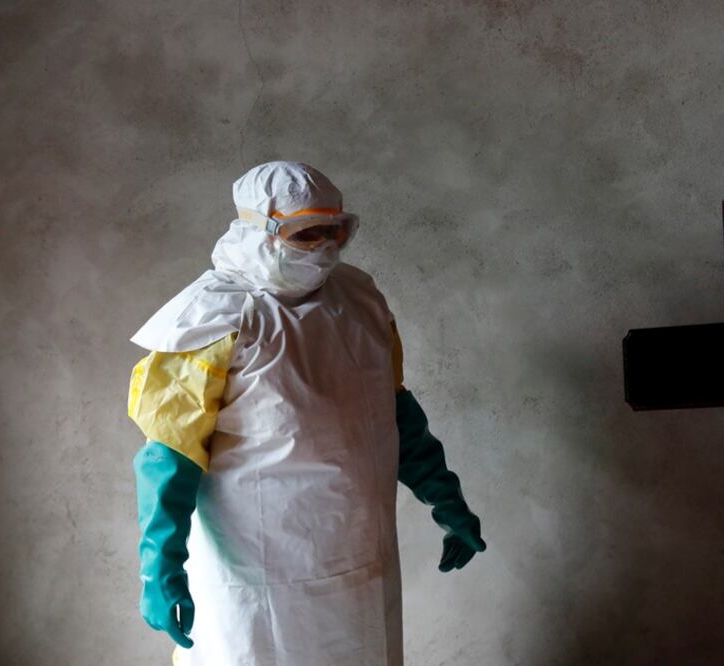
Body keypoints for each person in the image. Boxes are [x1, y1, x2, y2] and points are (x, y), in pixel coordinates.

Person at [126, 161, 486, 665]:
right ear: (258, 230)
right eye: (306, 233)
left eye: (334, 231)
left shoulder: (360, 301)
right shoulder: (213, 319)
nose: (324, 248)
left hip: (362, 560)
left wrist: (445, 497)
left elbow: (392, 410)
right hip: (259, 574)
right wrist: (159, 568)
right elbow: (170, 454)